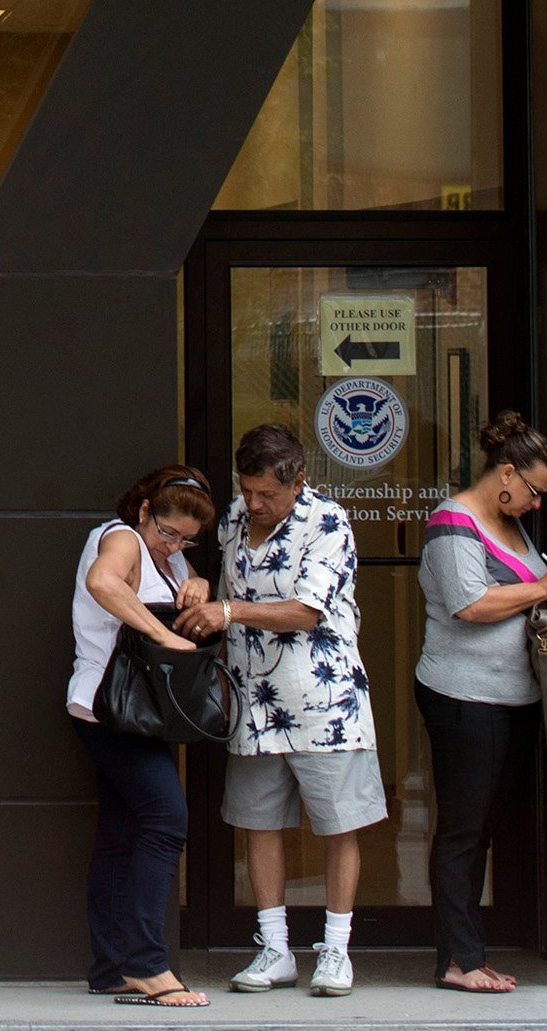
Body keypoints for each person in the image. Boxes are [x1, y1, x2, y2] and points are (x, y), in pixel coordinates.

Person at [190, 424, 380, 1000]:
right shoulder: (230, 520)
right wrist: (201, 586)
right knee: (258, 821)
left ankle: (336, 950)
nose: (254, 503)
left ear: (298, 482)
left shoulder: (327, 522)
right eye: (246, 490)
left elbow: (306, 611)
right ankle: (274, 947)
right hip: (254, 700)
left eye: (266, 494)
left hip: (326, 702)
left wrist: (227, 611)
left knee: (339, 824)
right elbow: (219, 582)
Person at [416, 413, 547, 994]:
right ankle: (457, 961)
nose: (537, 504)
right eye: (534, 490)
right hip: (465, 697)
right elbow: (469, 604)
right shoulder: (452, 522)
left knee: (481, 828)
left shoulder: (509, 523)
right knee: (463, 829)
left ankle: (468, 953)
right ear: (506, 473)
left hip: (511, 699)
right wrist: (544, 587)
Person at [68, 464, 216, 1008]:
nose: (173, 544)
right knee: (166, 820)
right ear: (145, 510)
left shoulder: (164, 551)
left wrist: (193, 578)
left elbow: (172, 578)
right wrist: (162, 635)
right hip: (113, 708)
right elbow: (103, 582)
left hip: (128, 711)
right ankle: (149, 967)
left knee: (121, 832)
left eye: (187, 539)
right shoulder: (124, 537)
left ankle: (112, 968)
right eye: (168, 531)